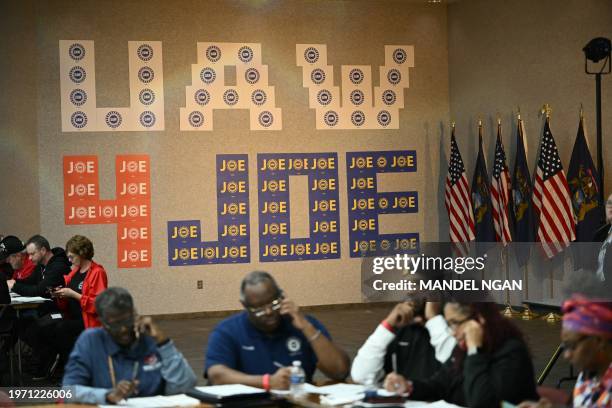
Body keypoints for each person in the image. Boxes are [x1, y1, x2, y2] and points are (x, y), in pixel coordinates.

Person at [205, 271, 350, 390]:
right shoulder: (228, 330)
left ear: (282, 297)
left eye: (273, 303)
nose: (268, 311)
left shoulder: (303, 323)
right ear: (245, 305)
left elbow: (340, 371)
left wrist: (306, 327)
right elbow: (216, 375)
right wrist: (267, 382)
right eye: (259, 308)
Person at [384, 301, 538, 408]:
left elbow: (482, 402)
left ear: (479, 320)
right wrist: (408, 386)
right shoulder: (461, 349)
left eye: (456, 323)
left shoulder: (512, 352)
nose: (453, 332)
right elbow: (440, 384)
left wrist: (474, 351)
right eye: (449, 323)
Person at [63, 287, 197, 404]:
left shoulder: (151, 338)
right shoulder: (91, 341)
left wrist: (164, 343)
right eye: (115, 324)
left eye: (127, 321)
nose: (123, 329)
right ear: (102, 322)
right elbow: (68, 391)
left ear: (135, 315)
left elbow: (186, 386)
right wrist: (107, 395)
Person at [351, 300, 456, 384]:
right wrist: (387, 326)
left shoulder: (455, 324)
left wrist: (433, 319)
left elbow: (459, 369)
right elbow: (361, 376)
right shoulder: (398, 325)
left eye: (418, 284)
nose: (409, 291)